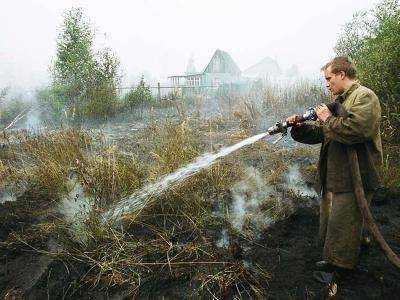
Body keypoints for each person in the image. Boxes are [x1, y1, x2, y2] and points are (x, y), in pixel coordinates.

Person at [286, 56, 383, 280]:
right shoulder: (342, 101)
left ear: (341, 74)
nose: (327, 83)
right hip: (338, 173)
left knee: (343, 220)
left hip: (356, 175)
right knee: (340, 218)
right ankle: (357, 244)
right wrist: (299, 128)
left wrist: (328, 119)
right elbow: (324, 133)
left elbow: (356, 130)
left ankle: (339, 268)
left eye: (329, 78)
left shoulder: (364, 97)